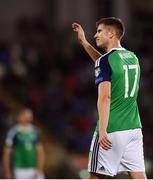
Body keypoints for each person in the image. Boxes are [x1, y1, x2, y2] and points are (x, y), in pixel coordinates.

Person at [72, 17, 147, 179]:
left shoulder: (105, 61)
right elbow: (106, 65)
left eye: (99, 31)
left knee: (95, 177)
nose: (95, 35)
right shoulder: (132, 57)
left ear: (111, 34)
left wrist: (103, 130)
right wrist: (84, 43)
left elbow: (105, 96)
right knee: (140, 177)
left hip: (112, 128)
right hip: (133, 128)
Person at [3, 107, 45, 179]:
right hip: (20, 169)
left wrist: (39, 168)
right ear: (19, 116)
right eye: (25, 116)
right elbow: (7, 153)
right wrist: (7, 172)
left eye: (29, 117)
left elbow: (40, 152)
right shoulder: (13, 132)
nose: (28, 118)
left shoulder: (35, 131)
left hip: (34, 168)